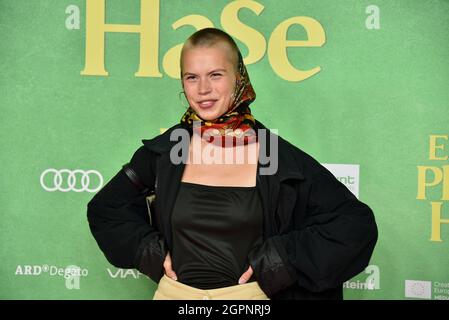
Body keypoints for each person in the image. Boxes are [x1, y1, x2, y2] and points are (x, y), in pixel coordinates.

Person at [87, 28, 378, 300]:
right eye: (191, 77)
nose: (203, 89)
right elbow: (105, 209)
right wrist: (147, 251)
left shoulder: (275, 157)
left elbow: (354, 225)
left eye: (215, 75)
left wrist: (282, 260)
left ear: (239, 77)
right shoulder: (167, 151)